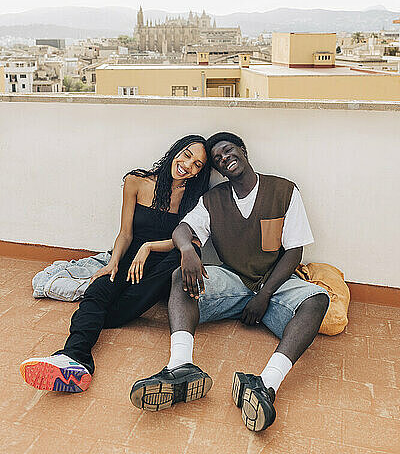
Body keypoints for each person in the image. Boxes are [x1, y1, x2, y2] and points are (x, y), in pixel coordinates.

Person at [130, 132, 329, 432]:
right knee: (179, 277)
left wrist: (264, 296)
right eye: (218, 159)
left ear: (243, 151)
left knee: (318, 300)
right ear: (219, 170)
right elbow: (183, 229)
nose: (224, 158)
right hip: (234, 282)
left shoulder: (283, 190)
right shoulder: (213, 200)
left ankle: (265, 386)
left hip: (272, 285)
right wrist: (187, 249)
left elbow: (294, 253)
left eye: (228, 150)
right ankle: (180, 367)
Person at [20, 135, 210, 393]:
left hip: (162, 265)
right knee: (97, 292)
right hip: (131, 259)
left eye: (198, 164)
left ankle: (83, 344)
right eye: (187, 155)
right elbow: (125, 234)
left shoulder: (195, 197)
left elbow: (186, 239)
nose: (188, 165)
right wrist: (113, 262)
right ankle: (75, 358)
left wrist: (150, 246)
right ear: (176, 150)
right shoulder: (135, 182)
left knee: (176, 262)